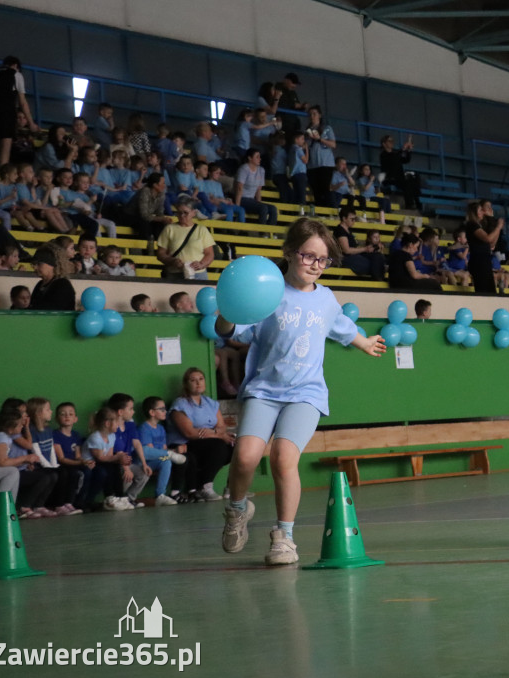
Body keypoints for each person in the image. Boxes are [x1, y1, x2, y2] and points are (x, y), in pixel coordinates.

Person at [216, 217, 386, 565]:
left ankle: (284, 538)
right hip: (264, 391)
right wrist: (226, 315)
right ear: (290, 253)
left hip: (306, 394)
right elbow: (233, 329)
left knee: (282, 458)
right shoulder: (268, 293)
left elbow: (341, 327)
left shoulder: (325, 299)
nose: (316, 266)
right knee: (246, 456)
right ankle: (237, 510)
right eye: (309, 256)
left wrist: (364, 343)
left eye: (323, 260)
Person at [167, 367, 234, 503]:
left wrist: (214, 432)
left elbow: (221, 426)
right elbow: (190, 433)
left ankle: (232, 487)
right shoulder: (180, 404)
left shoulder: (210, 403)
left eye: (201, 379)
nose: (198, 383)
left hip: (209, 441)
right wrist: (218, 435)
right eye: (193, 380)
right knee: (219, 445)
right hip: (186, 445)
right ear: (186, 384)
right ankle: (204, 486)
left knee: (235, 445)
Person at [0, 407, 54, 518]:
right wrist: (25, 458)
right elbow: (1, 463)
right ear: (10, 429)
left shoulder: (5, 437)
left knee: (13, 472)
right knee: (12, 471)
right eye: (19, 425)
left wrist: (24, 462)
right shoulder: (1, 437)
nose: (22, 425)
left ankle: (9, 508)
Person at [26, 397, 84, 516]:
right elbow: (36, 452)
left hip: (50, 464)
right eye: (48, 409)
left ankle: (67, 503)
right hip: (39, 465)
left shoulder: (48, 429)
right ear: (38, 414)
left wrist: (54, 464)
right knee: (60, 473)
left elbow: (51, 450)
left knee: (67, 472)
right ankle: (58, 505)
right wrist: (50, 466)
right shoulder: (32, 431)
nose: (51, 412)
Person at [0, 56, 39, 168]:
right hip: (6, 112)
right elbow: (22, 102)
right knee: (5, 147)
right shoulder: (15, 74)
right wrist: (31, 123)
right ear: (15, 66)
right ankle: (2, 175)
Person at [137, 395, 187, 506]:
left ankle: (160, 495)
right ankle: (170, 455)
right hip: (145, 461)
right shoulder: (144, 428)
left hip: (159, 458)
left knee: (166, 461)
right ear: (152, 412)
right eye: (162, 409)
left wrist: (175, 450)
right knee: (155, 453)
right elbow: (148, 452)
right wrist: (170, 452)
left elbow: (163, 448)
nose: (165, 411)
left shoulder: (161, 428)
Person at [156, 196, 216, 280]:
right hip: (175, 273)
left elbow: (209, 254)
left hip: (198, 274)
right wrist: (172, 261)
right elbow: (160, 253)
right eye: (179, 212)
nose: (182, 215)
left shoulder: (201, 230)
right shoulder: (169, 229)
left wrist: (201, 264)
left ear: (194, 213)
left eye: (185, 212)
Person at [333, 206, 385, 280]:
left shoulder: (348, 231)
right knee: (371, 264)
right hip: (345, 258)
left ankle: (378, 279)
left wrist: (369, 248)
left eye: (355, 219)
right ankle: (377, 280)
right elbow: (346, 250)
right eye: (352, 219)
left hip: (353, 256)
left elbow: (354, 248)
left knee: (377, 256)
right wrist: (365, 249)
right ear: (344, 218)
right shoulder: (340, 231)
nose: (354, 221)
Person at [465, 200, 503, 294]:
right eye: (481, 210)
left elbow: (492, 244)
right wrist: (498, 227)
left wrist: (497, 227)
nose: (483, 212)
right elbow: (488, 238)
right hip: (478, 261)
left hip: (485, 260)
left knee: (490, 289)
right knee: (483, 289)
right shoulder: (472, 225)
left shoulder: (481, 226)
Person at [123, 172, 173, 242]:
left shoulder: (161, 194)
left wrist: (164, 220)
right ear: (155, 185)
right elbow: (144, 215)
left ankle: (158, 248)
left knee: (160, 225)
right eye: (163, 183)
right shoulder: (145, 191)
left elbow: (160, 212)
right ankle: (144, 250)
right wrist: (161, 219)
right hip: (131, 216)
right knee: (145, 225)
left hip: (144, 217)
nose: (165, 185)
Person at [234, 149, 278, 225]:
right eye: (257, 157)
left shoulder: (261, 170)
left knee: (273, 209)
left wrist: (258, 203)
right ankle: (262, 232)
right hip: (243, 199)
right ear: (250, 158)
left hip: (252, 200)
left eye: (259, 157)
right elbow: (239, 188)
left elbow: (258, 190)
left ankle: (270, 232)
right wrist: (237, 206)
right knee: (263, 208)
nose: (259, 159)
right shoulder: (244, 169)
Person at [305, 105, 336, 208]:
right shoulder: (306, 131)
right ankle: (320, 211)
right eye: (310, 114)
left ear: (319, 115)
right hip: (312, 165)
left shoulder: (327, 128)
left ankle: (328, 210)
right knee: (315, 190)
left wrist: (319, 139)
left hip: (325, 164)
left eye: (314, 114)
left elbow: (333, 144)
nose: (312, 116)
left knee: (324, 188)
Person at [379, 134, 420, 211]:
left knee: (413, 179)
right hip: (390, 178)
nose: (392, 142)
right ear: (384, 144)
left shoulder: (395, 153)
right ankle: (409, 204)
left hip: (399, 177)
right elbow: (392, 159)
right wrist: (403, 149)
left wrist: (408, 151)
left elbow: (405, 160)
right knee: (406, 183)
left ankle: (416, 203)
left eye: (392, 141)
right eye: (389, 141)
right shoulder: (383, 155)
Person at [29, 244, 76, 311]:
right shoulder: (40, 284)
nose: (35, 267)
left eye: (39, 264)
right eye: (34, 264)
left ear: (52, 264)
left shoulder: (63, 285)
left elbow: (52, 311)